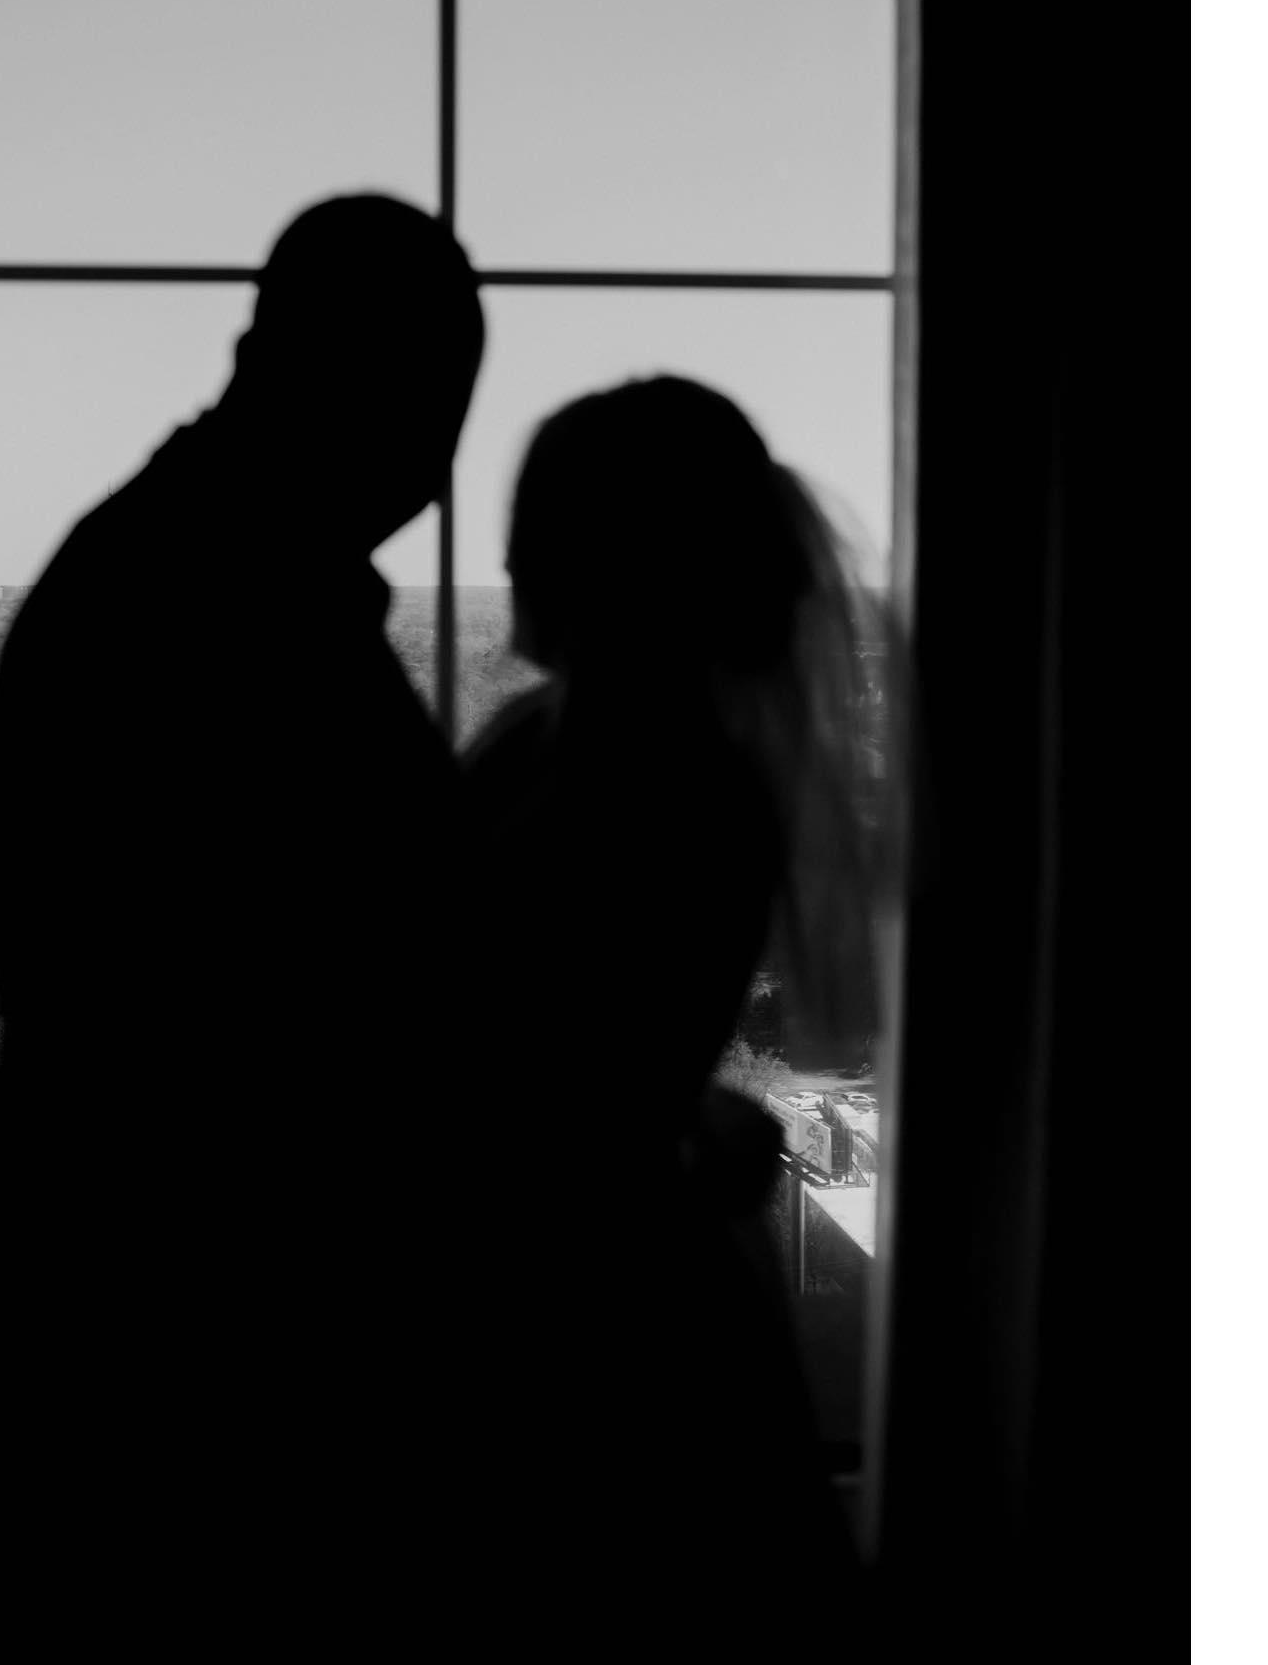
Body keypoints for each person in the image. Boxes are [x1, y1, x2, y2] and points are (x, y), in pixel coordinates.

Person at [0, 194, 486, 1645]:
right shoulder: (246, 615)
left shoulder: (165, 563)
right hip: (171, 1364)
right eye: (421, 414)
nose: (431, 474)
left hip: (86, 1318)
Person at [453, 373, 900, 1642]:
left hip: (581, 1293)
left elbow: (583, 1067)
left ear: (625, 562)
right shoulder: (562, 740)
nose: (507, 557)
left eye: (539, 525)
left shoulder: (679, 785)